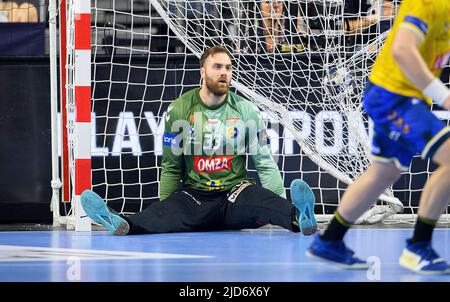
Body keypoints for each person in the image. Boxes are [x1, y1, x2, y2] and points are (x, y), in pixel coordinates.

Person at [81, 45, 317, 236]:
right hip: (196, 197)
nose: (224, 72)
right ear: (202, 72)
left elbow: (264, 163)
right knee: (160, 214)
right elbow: (171, 167)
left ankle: (300, 216)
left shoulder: (247, 111)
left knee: (264, 201)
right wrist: (169, 205)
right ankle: (119, 222)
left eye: (228, 67)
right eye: (217, 67)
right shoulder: (179, 110)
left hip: (236, 194)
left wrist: (278, 203)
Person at [307, 0, 450, 274]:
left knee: (385, 172)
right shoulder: (426, 3)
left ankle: (330, 240)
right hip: (394, 98)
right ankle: (418, 247)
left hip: (399, 96)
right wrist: (443, 96)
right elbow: (402, 50)